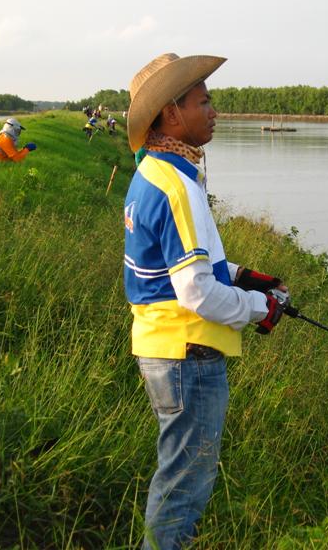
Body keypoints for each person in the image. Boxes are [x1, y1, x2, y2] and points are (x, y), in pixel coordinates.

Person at [123, 52, 288, 550]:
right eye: (204, 101)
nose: (214, 111)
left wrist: (241, 275)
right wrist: (263, 309)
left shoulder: (158, 171)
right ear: (172, 114)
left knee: (178, 477)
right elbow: (195, 292)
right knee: (184, 489)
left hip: (167, 351)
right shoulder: (176, 184)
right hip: (187, 354)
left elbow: (180, 264)